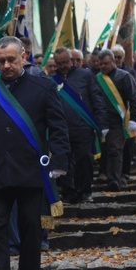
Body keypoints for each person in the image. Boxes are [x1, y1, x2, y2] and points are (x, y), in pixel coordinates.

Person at [0, 36, 70, 270]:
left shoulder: (43, 87)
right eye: (1, 61)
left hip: (31, 172)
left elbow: (58, 126)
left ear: (23, 58)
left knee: (30, 229)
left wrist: (60, 160)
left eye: (11, 60)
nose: (6, 65)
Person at [52, 47, 108, 203]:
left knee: (84, 159)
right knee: (64, 161)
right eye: (59, 63)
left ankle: (85, 190)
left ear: (72, 60)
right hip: (62, 130)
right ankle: (68, 192)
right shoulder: (52, 81)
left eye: (65, 62)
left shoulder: (86, 75)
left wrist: (102, 123)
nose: (62, 65)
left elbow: (97, 99)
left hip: (83, 127)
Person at [96, 49, 136, 191]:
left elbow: (135, 98)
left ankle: (114, 179)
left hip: (118, 122)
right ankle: (109, 175)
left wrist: (134, 118)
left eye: (106, 63)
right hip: (101, 121)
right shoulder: (97, 78)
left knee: (115, 150)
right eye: (101, 64)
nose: (103, 66)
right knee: (104, 150)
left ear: (114, 62)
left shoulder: (125, 76)